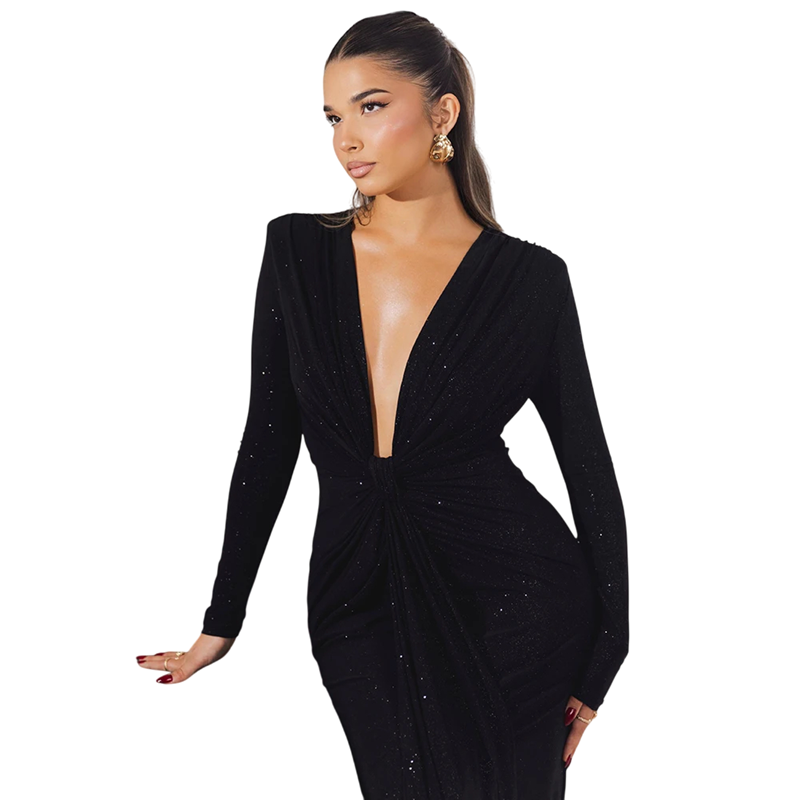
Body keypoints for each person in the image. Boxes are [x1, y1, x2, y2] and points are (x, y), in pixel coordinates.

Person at [135, 11, 629, 799]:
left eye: (371, 106)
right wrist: (221, 619)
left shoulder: (530, 280)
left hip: (519, 605)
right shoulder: (298, 252)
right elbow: (268, 439)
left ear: (442, 113)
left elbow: (588, 465)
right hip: (355, 598)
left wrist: (607, 654)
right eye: (333, 117)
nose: (346, 138)